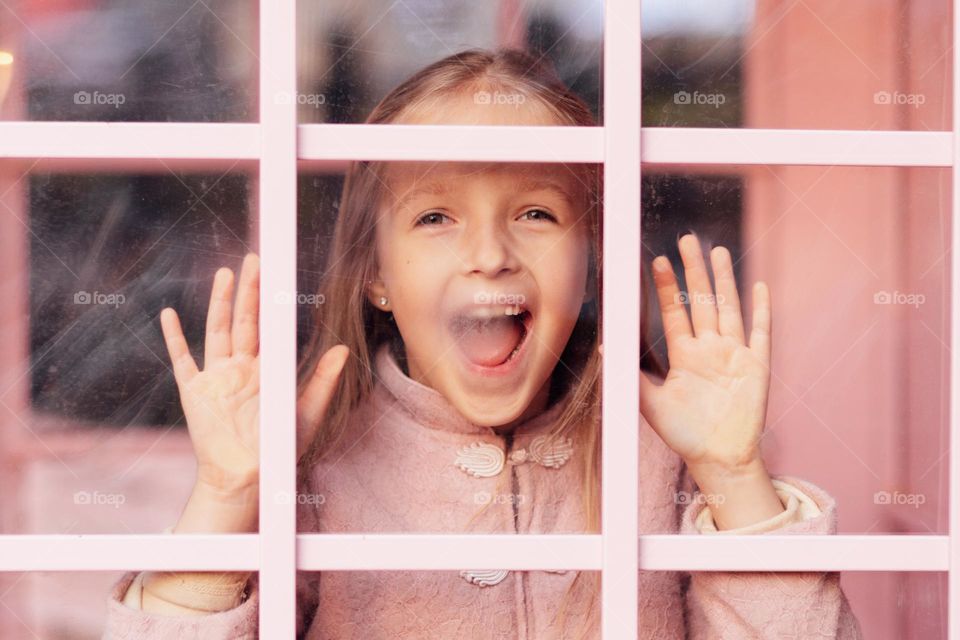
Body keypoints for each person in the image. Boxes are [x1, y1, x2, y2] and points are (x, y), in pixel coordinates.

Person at [102, 48, 863, 639]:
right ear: (377, 277)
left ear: (589, 261)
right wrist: (226, 496)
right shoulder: (315, 468)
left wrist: (732, 474)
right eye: (435, 217)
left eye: (536, 213)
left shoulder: (668, 459)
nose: (491, 255)